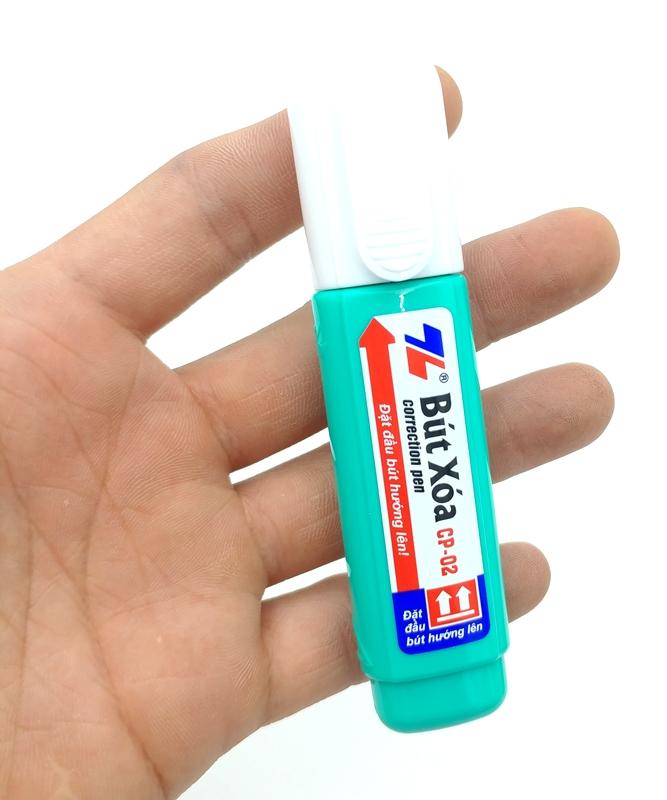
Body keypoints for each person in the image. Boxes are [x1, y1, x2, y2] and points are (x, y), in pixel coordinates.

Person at [0, 69, 618, 799]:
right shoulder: (389, 304)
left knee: (434, 470)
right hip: (390, 306)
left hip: (416, 300)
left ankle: (446, 643)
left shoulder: (419, 299)